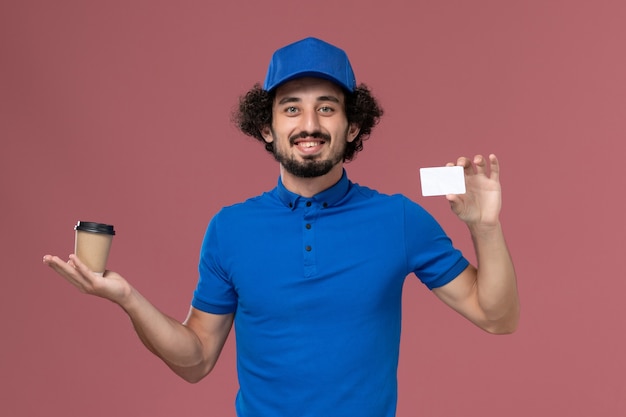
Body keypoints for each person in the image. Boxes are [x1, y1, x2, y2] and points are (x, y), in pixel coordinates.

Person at [43, 37, 520, 417]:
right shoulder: (229, 229)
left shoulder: (398, 219)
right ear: (267, 127)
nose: (308, 123)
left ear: (353, 126)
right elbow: (195, 360)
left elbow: (497, 318)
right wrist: (128, 299)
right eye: (291, 108)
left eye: (327, 108)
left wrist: (486, 228)